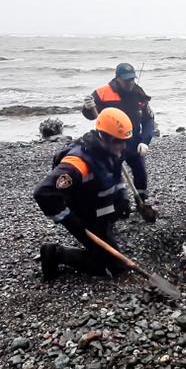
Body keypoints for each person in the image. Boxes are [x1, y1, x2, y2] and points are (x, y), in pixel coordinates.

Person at [33, 108, 134, 280]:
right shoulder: (78, 164)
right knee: (115, 267)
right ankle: (56, 253)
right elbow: (44, 193)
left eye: (126, 141)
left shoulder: (114, 149)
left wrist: (123, 195)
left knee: (109, 248)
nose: (124, 146)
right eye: (119, 141)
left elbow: (116, 174)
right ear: (105, 138)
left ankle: (102, 237)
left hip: (103, 209)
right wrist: (74, 224)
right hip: (87, 215)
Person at [82, 62, 155, 204]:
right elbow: (92, 116)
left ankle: (142, 200)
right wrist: (87, 108)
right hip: (110, 143)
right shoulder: (102, 93)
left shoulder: (139, 94)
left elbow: (148, 120)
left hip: (133, 141)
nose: (130, 82)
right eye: (127, 79)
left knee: (140, 172)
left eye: (132, 79)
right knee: (112, 175)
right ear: (117, 78)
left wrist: (144, 141)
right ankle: (119, 203)